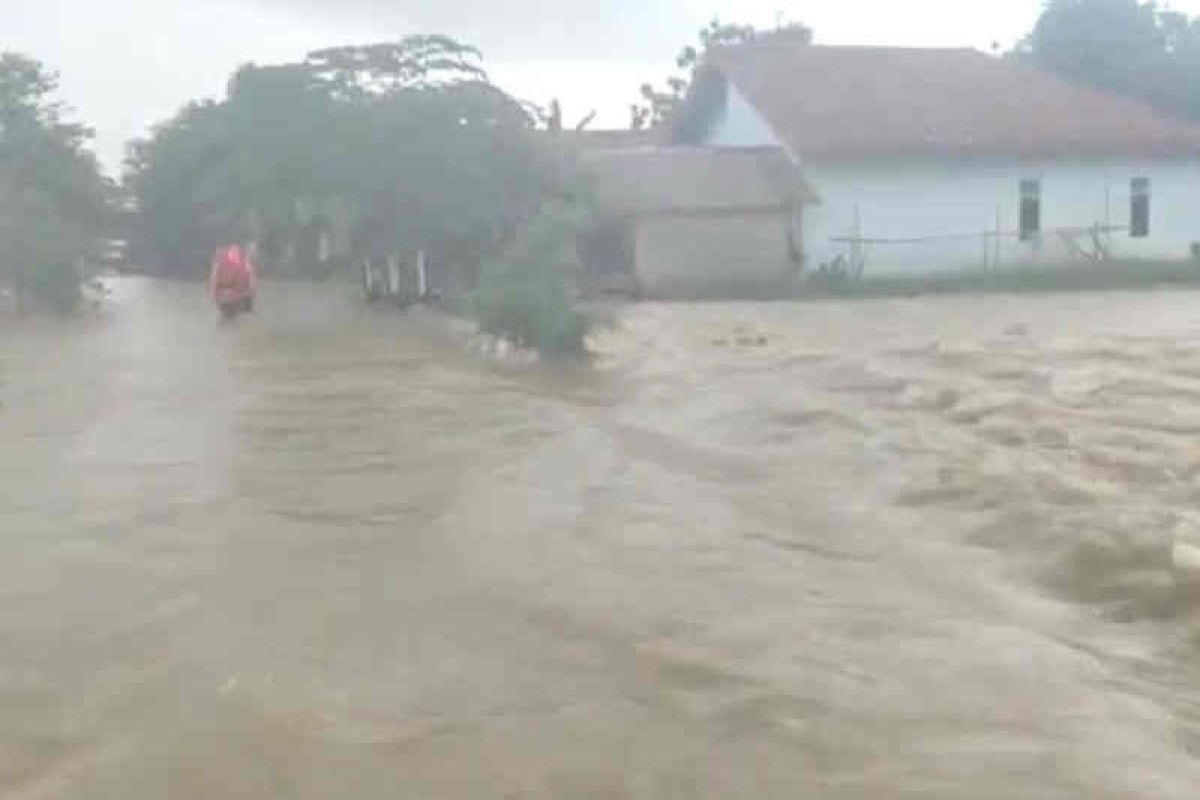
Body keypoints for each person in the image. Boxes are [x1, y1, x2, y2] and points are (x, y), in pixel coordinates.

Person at [209, 244, 258, 316]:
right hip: (229, 294)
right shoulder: (241, 260)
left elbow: (251, 280)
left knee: (238, 314)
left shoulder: (245, 262)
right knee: (230, 314)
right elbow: (214, 276)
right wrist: (213, 293)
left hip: (235, 294)